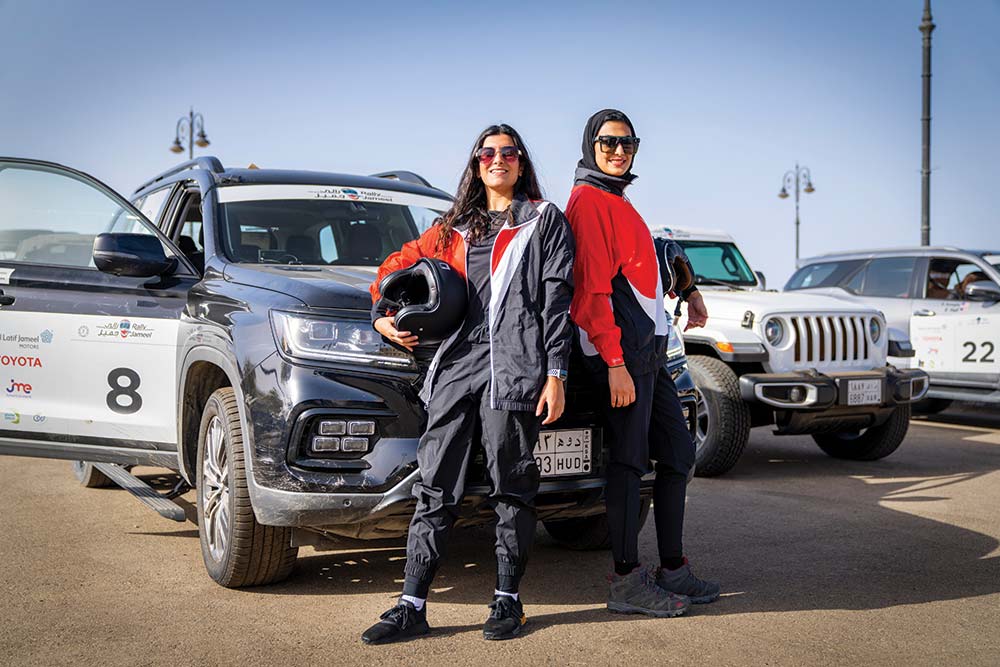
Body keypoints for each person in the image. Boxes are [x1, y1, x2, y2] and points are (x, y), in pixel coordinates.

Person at [361, 124, 575, 644]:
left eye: (508, 152)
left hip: (515, 367)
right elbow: (395, 268)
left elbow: (557, 301)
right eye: (487, 153)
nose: (497, 159)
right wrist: (381, 316)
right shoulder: (452, 227)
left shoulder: (542, 220)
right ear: (475, 164)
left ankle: (508, 600)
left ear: (521, 163)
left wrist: (556, 373)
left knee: (512, 485)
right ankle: (411, 604)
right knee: (436, 484)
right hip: (455, 367)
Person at [566, 108, 719, 618]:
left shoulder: (617, 198)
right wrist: (613, 362)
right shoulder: (588, 201)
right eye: (608, 142)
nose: (618, 151)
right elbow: (590, 291)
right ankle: (627, 582)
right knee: (629, 463)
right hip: (621, 357)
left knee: (678, 455)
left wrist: (689, 289)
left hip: (649, 354)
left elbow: (644, 266)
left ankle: (672, 568)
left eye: (627, 143)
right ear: (591, 145)